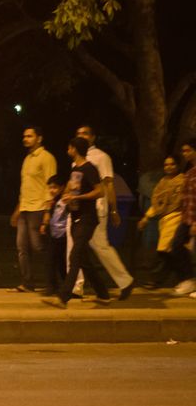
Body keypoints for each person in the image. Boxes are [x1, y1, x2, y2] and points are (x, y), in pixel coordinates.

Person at [45, 137, 113, 308]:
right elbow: (72, 189)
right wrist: (66, 196)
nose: (67, 149)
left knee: (74, 256)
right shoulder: (75, 168)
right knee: (83, 259)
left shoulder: (89, 168)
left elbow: (100, 192)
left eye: (69, 147)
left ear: (74, 149)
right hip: (76, 217)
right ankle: (103, 295)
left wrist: (78, 197)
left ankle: (63, 297)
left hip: (87, 219)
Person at [72, 125, 135, 299]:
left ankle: (124, 281)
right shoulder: (77, 158)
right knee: (79, 247)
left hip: (97, 208)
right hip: (81, 209)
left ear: (93, 137)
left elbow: (108, 184)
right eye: (78, 133)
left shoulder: (101, 157)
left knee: (98, 246)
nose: (81, 136)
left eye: (85, 133)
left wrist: (114, 210)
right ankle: (77, 286)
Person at [10, 126, 57, 293]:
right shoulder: (27, 159)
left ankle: (53, 282)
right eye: (24, 136)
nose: (26, 139)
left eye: (30, 136)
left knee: (39, 246)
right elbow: (25, 187)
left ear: (39, 138)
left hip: (38, 208)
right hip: (25, 208)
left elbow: (51, 186)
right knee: (22, 247)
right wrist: (17, 210)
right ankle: (27, 282)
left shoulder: (47, 158)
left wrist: (47, 212)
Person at [136, 155, 183, 289]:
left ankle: (157, 280)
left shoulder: (182, 181)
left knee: (164, 251)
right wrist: (146, 218)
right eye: (166, 165)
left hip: (176, 218)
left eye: (172, 164)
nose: (169, 167)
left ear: (178, 166)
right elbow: (157, 203)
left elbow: (179, 202)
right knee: (172, 252)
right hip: (164, 220)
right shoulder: (162, 182)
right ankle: (184, 278)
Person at [170, 138, 196, 297]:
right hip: (187, 218)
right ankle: (189, 280)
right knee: (177, 245)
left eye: (187, 150)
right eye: (183, 151)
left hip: (193, 218)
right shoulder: (190, 171)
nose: (184, 154)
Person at [40, 175, 68, 293]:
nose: (52, 190)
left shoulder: (65, 200)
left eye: (55, 188)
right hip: (54, 235)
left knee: (61, 262)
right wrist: (44, 225)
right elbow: (49, 217)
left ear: (62, 187)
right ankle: (53, 286)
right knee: (51, 260)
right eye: (50, 188)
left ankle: (65, 286)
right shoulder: (53, 201)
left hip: (64, 235)